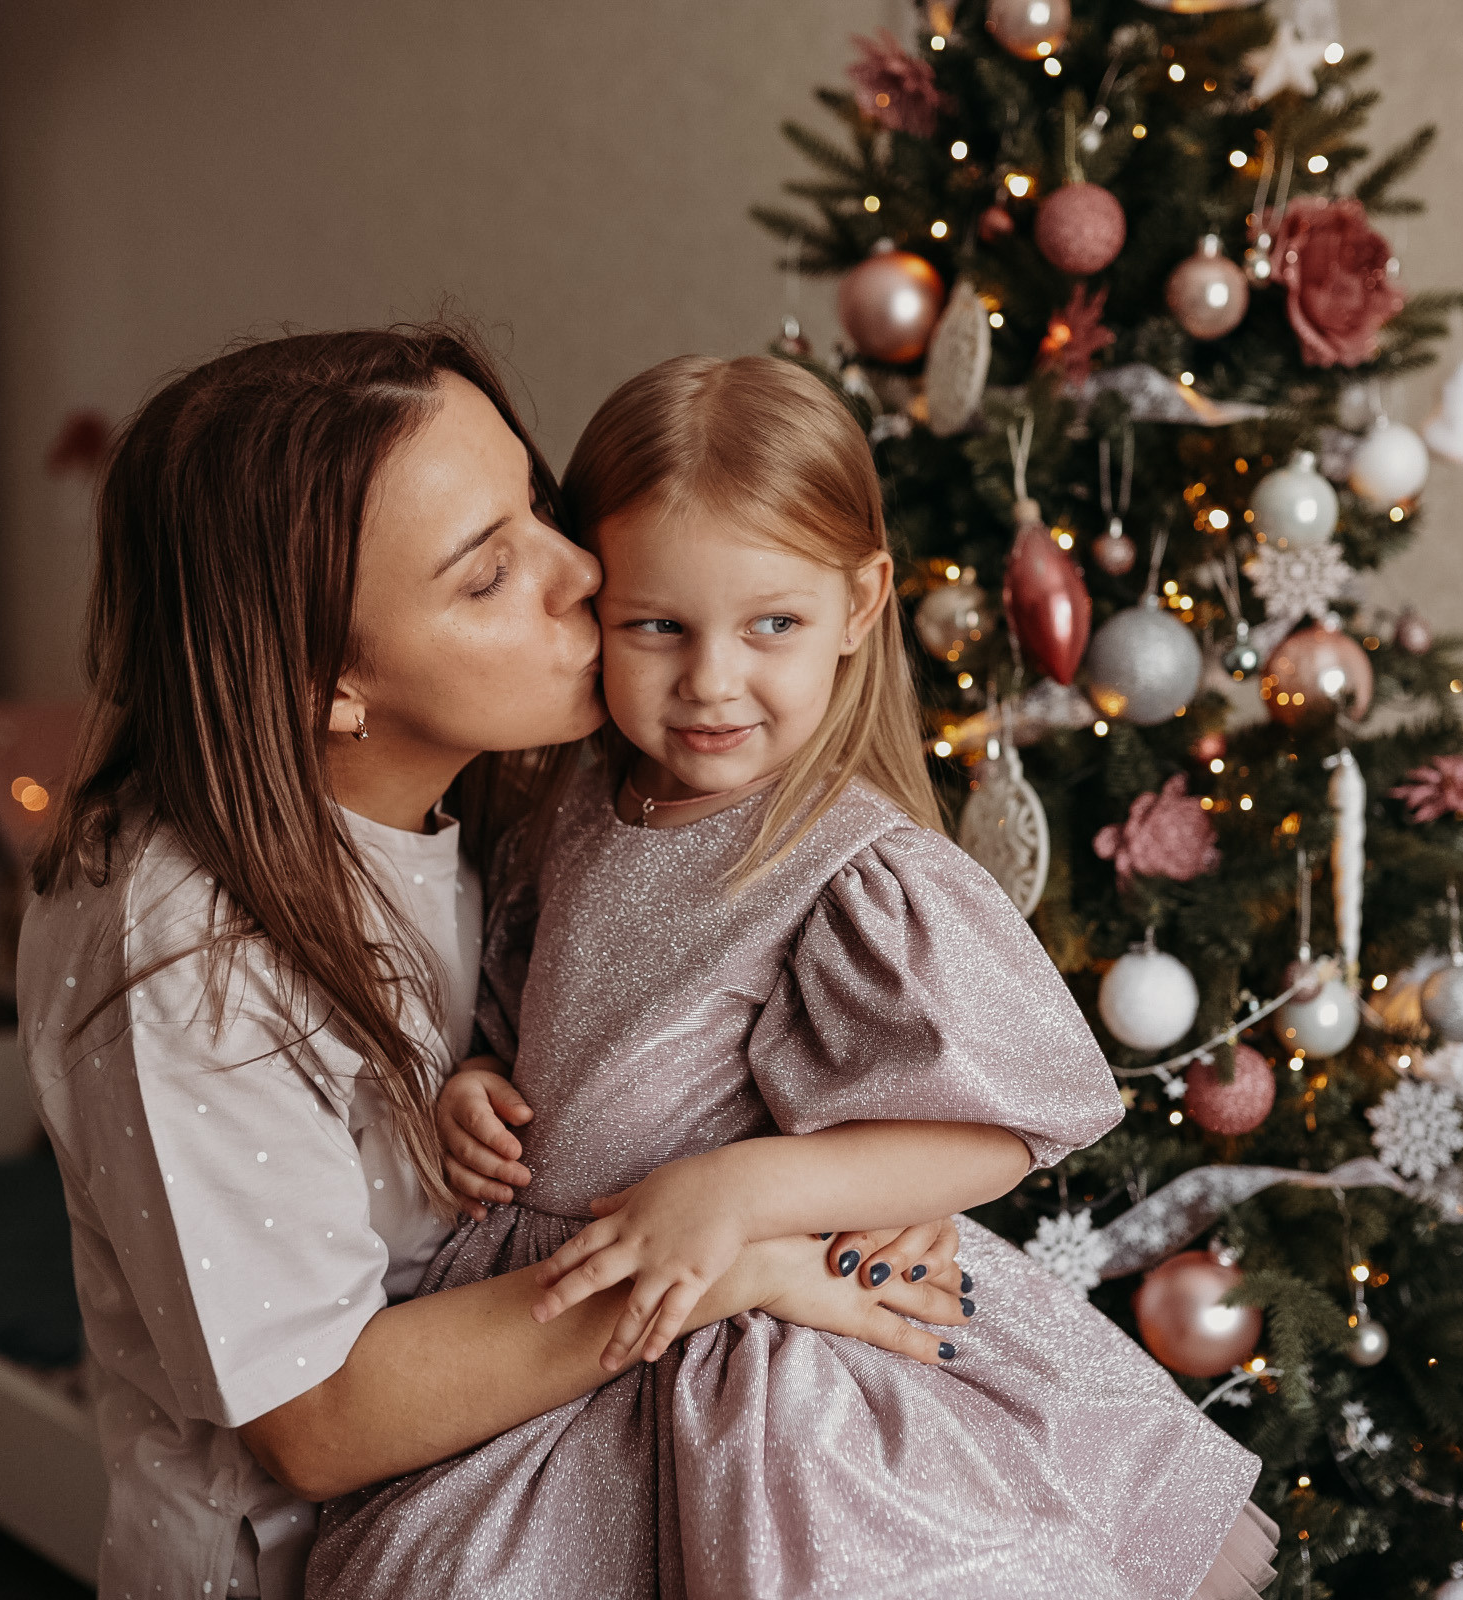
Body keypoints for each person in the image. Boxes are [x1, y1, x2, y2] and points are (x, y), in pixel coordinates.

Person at [17, 328, 970, 1600]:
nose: (584, 570)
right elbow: (316, 1421)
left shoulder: (532, 799)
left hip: (552, 1498)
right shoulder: (186, 954)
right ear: (323, 683)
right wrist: (725, 1263)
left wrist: (850, 1175)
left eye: (535, 503)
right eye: (489, 576)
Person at [306, 355, 1279, 1600]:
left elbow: (989, 1130)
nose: (711, 680)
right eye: (656, 625)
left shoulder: (853, 864)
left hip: (778, 1357)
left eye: (773, 624)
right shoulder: (574, 807)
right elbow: (527, 1000)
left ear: (863, 602)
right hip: (562, 1310)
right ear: (594, 604)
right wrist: (480, 1080)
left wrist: (740, 1189)